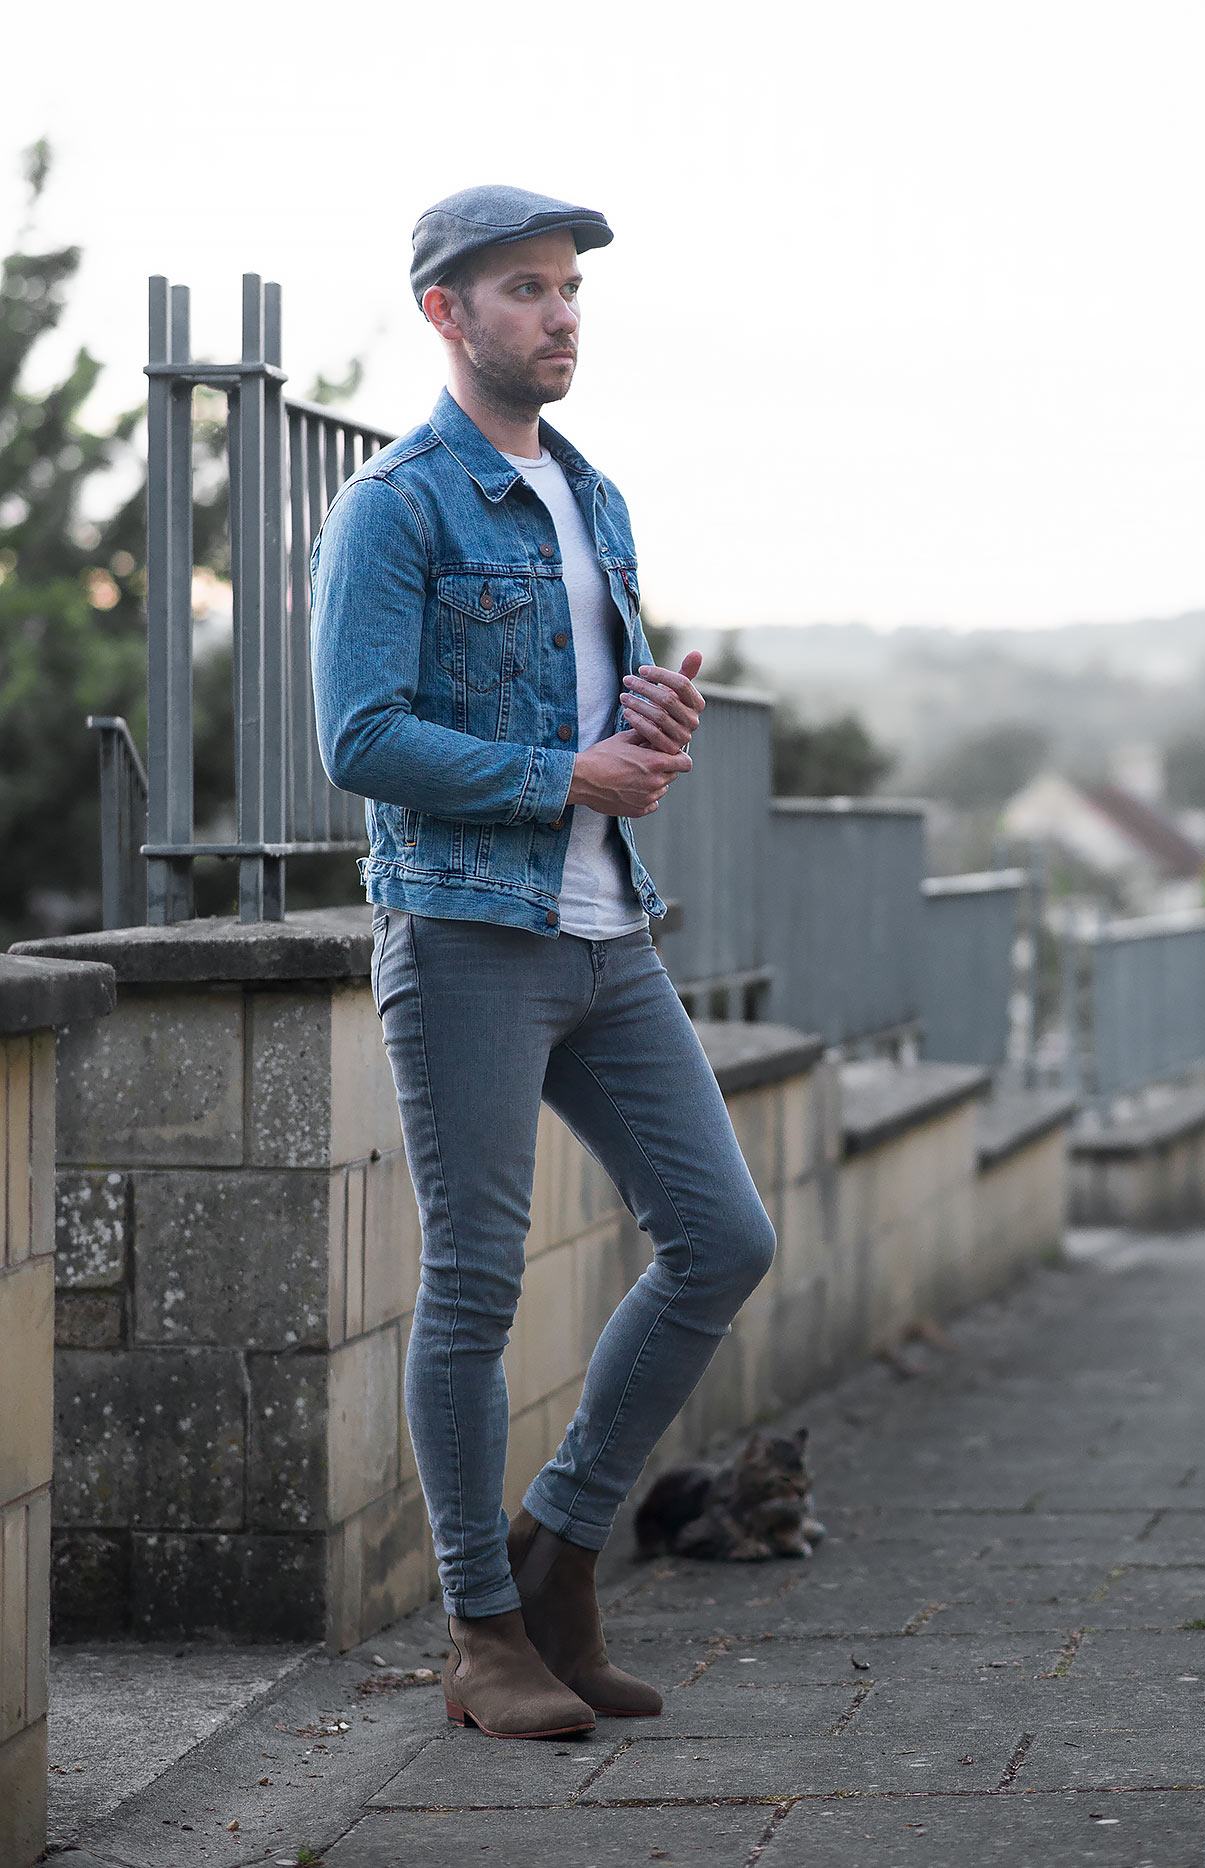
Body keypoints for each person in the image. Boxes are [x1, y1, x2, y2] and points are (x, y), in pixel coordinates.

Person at [309, 184, 778, 1742]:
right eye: (523, 289)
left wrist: (644, 732)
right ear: (445, 312)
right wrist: (562, 778)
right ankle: (480, 1631)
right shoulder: (399, 506)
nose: (560, 313)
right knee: (476, 1286)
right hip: (464, 934)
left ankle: (564, 1546)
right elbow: (359, 737)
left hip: (605, 929)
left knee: (720, 1236)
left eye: (569, 288)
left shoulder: (594, 495)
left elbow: (576, 717)